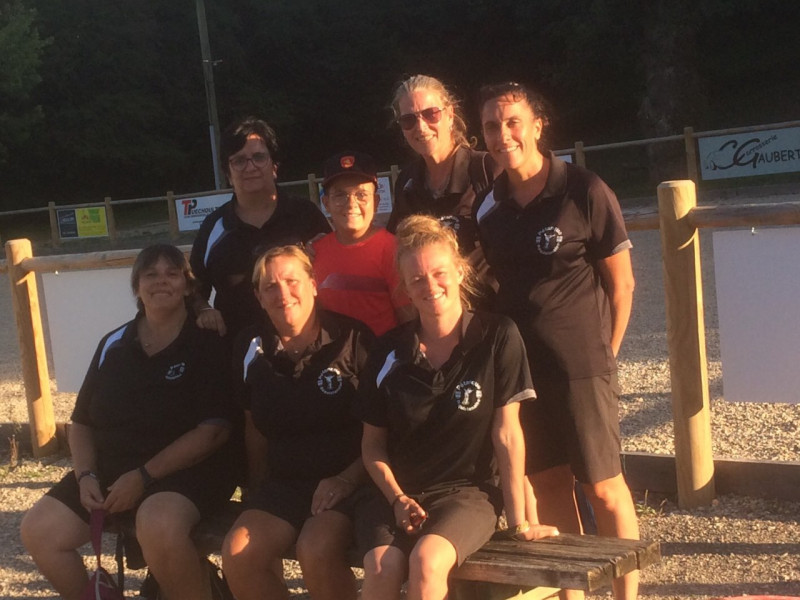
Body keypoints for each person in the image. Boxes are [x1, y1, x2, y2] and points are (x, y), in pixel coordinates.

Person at [475, 82, 639, 600]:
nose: (503, 135)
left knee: (604, 489)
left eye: (512, 122)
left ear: (538, 126)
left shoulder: (584, 190)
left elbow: (623, 284)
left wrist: (607, 354)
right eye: (491, 126)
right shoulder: (488, 206)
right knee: (548, 489)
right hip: (522, 373)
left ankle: (626, 596)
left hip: (582, 367)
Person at [355, 215, 558, 600]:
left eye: (439, 273)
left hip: (467, 493)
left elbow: (507, 434)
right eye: (417, 279)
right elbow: (372, 446)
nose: (430, 285)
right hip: (397, 493)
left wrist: (519, 522)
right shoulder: (388, 350)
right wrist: (397, 498)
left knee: (427, 561)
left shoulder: (497, 335)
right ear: (405, 289)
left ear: (461, 271)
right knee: (381, 566)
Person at [20, 244, 237, 600]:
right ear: (136, 286)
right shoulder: (114, 343)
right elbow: (81, 422)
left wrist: (143, 476)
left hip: (188, 471)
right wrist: (85, 476)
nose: (161, 281)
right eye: (151, 275)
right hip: (114, 468)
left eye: (172, 274)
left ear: (187, 286)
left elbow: (213, 431)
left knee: (158, 524)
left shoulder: (208, 341)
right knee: (39, 530)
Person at [221, 245, 374, 600]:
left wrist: (347, 479)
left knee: (315, 549)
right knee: (238, 554)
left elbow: (385, 429)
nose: (283, 293)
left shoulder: (354, 338)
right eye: (270, 286)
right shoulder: (249, 345)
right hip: (285, 484)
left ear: (313, 284)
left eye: (292, 281)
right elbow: (253, 427)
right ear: (258, 297)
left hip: (347, 483)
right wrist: (256, 489)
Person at [190, 116, 331, 340]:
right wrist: (204, 309)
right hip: (236, 351)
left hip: (307, 348)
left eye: (258, 157)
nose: (250, 167)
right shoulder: (213, 227)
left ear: (274, 167)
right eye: (239, 161)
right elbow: (193, 288)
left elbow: (336, 276)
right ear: (228, 174)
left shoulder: (306, 215)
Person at [386, 75, 501, 304]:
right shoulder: (407, 182)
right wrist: (324, 244)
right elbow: (392, 247)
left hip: (489, 311)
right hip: (433, 312)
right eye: (408, 120)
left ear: (449, 115)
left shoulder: (488, 169)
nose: (421, 127)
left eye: (430, 114)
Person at [313, 150, 412, 336]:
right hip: (331, 353)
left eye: (361, 194)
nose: (351, 204)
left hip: (382, 351)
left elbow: (409, 321)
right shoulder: (314, 253)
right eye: (340, 195)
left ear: (376, 201)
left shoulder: (394, 250)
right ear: (326, 203)